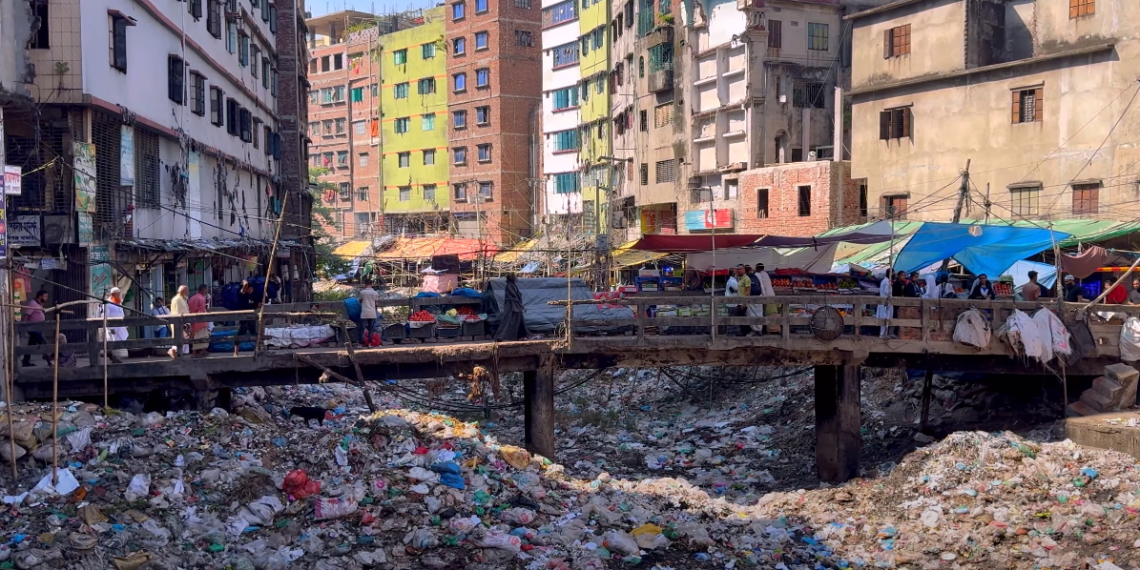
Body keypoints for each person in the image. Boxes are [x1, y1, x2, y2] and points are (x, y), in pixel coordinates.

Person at [495, 273, 529, 341]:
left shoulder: (513, 285)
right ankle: (500, 337)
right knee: (508, 321)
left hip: (515, 306)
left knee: (518, 321)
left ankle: (519, 336)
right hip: (511, 307)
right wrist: (521, 305)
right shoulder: (510, 285)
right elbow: (513, 296)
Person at [99, 287, 128, 364]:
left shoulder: (119, 302)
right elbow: (104, 316)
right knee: (113, 343)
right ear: (113, 295)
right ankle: (114, 358)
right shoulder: (107, 304)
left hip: (121, 327)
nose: (119, 296)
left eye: (119, 294)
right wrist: (108, 327)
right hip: (113, 328)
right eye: (117, 294)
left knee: (121, 343)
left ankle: (118, 359)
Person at [22, 290, 50, 367]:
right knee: (43, 343)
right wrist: (23, 327)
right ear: (40, 296)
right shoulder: (32, 304)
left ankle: (25, 361)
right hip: (33, 328)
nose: (46, 298)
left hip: (37, 328)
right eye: (45, 296)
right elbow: (26, 315)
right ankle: (50, 362)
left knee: (31, 345)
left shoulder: (39, 304)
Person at [749, 263, 775, 334]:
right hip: (771, 294)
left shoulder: (758, 275)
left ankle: (764, 330)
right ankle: (768, 330)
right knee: (769, 313)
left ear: (758, 268)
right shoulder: (765, 274)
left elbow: (762, 287)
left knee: (763, 313)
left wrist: (763, 296)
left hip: (765, 295)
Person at [234, 281, 258, 356]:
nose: (251, 290)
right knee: (239, 334)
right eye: (250, 289)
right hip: (243, 318)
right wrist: (244, 281)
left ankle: (257, 350)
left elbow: (254, 305)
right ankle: (235, 352)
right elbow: (245, 284)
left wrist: (258, 304)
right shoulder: (242, 293)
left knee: (255, 333)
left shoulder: (251, 296)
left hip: (251, 318)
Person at [168, 286, 191, 358]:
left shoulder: (183, 299)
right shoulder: (177, 299)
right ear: (182, 291)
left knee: (184, 338)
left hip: (185, 322)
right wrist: (183, 324)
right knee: (178, 338)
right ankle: (173, 351)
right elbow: (177, 312)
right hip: (180, 322)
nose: (187, 293)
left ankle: (181, 354)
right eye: (186, 291)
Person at [188, 285, 211, 357]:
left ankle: (199, 351)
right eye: (206, 290)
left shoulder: (191, 298)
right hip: (201, 321)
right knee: (203, 336)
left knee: (196, 336)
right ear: (203, 290)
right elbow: (201, 311)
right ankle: (198, 352)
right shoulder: (201, 299)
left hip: (192, 319)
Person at [359, 280, 380, 344]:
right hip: (372, 313)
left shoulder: (362, 292)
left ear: (365, 284)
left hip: (364, 312)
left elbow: (360, 301)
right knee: (371, 329)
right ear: (372, 284)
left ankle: (361, 343)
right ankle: (370, 343)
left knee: (362, 329)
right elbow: (376, 303)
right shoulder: (375, 293)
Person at [877, 270, 893, 338]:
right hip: (886, 302)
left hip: (883, 302)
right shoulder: (887, 281)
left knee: (884, 318)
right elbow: (887, 292)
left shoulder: (884, 281)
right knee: (885, 318)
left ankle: (883, 334)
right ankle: (883, 334)